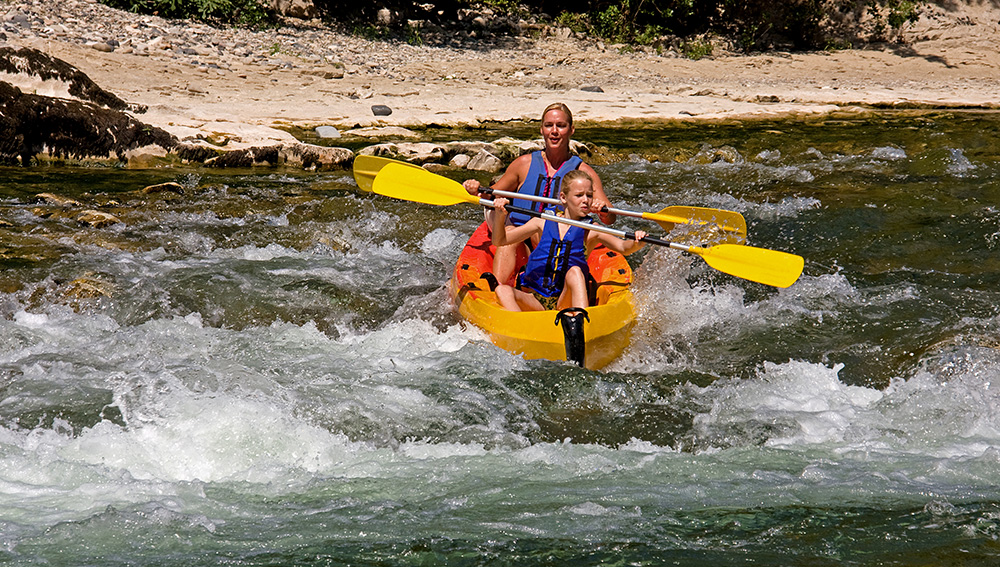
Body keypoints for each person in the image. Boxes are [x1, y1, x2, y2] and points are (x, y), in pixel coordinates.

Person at [463, 102, 616, 285]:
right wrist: (476, 188)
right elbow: (491, 195)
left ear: (571, 130)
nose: (554, 131)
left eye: (561, 125)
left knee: (547, 230)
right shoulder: (523, 164)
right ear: (542, 130)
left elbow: (610, 219)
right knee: (510, 232)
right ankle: (498, 292)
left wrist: (602, 211)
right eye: (548, 125)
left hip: (558, 243)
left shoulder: (584, 174)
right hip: (520, 239)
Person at [489, 169, 646, 313]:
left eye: (589, 195)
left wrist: (637, 242)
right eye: (579, 195)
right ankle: (519, 331)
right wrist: (500, 214)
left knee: (575, 272)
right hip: (535, 300)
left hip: (565, 301)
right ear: (563, 198)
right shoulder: (542, 222)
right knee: (502, 291)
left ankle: (580, 322)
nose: (585, 200)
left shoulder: (592, 230)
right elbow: (500, 240)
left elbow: (623, 247)